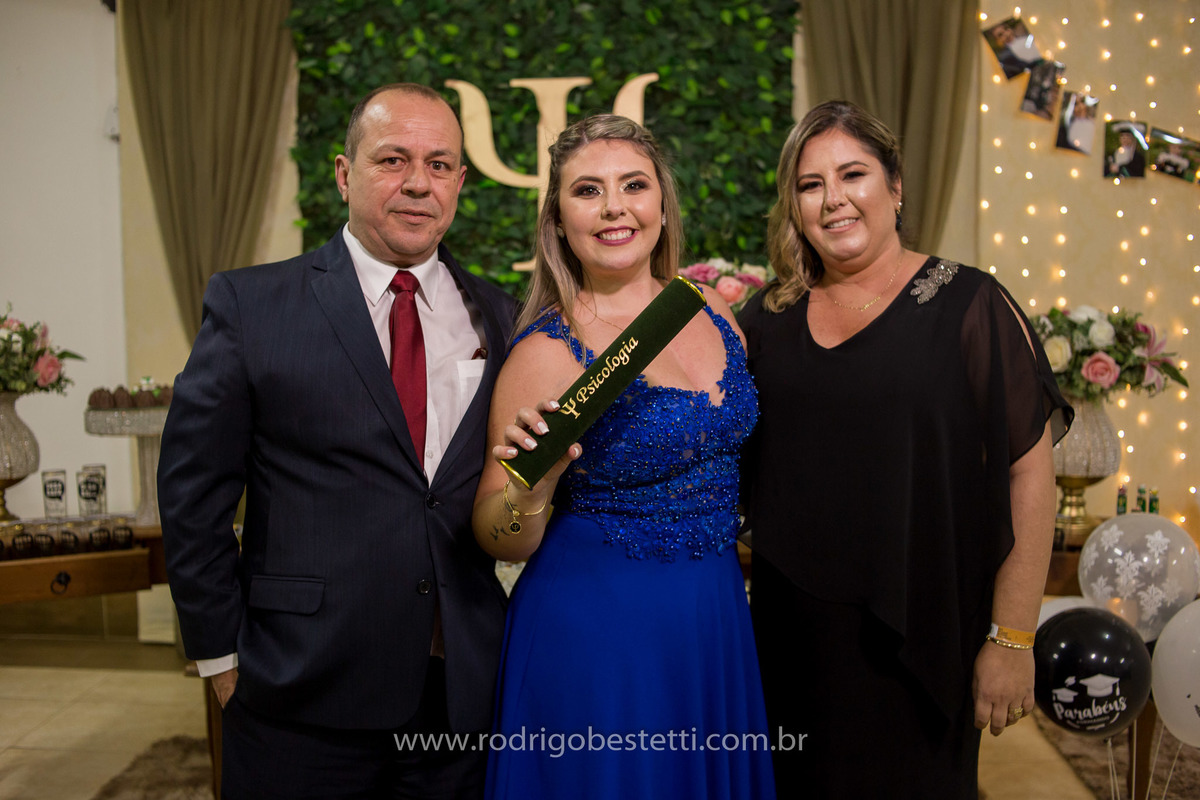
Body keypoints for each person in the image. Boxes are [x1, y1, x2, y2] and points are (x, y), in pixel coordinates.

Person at [158, 83, 517, 799]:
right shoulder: (251, 305)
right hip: (298, 693)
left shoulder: (502, 315)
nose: (418, 182)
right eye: (393, 159)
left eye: (439, 164)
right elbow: (193, 497)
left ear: (460, 183)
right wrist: (221, 660)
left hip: (458, 701)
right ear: (345, 174)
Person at [738, 100, 1071, 798]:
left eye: (852, 174)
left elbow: (1029, 472)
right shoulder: (766, 318)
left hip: (925, 638)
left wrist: (1013, 637)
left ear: (895, 186)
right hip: (789, 643)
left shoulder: (970, 305)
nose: (833, 199)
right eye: (810, 184)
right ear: (794, 207)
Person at [471, 115, 775, 799]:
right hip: (599, 630)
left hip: (712, 613)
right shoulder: (545, 352)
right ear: (558, 220)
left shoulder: (711, 309)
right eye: (588, 191)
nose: (614, 207)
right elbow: (495, 533)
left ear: (662, 205)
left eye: (633, 185)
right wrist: (533, 489)